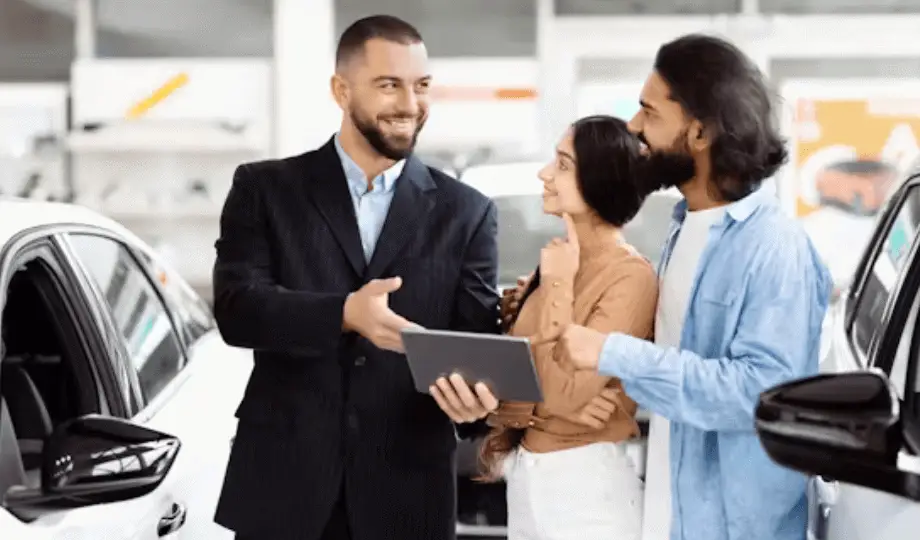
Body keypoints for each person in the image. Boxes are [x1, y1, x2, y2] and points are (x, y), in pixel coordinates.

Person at [212, 15, 499, 540]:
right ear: (341, 91)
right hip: (285, 492)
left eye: (422, 85)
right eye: (389, 85)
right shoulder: (265, 188)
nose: (410, 104)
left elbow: (473, 344)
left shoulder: (467, 212)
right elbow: (237, 308)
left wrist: (477, 406)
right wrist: (344, 314)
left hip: (406, 497)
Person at [557, 35, 833, 540]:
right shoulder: (685, 225)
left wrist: (614, 354)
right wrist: (618, 388)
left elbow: (758, 394)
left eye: (649, 112)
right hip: (670, 516)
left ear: (701, 131)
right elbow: (683, 368)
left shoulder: (774, 246)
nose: (634, 127)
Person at [474, 115, 656, 540]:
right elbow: (505, 394)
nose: (544, 173)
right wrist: (548, 411)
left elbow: (562, 389)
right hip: (526, 480)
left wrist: (558, 283)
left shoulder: (631, 277)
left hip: (587, 489)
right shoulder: (551, 264)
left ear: (600, 180)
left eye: (562, 164)